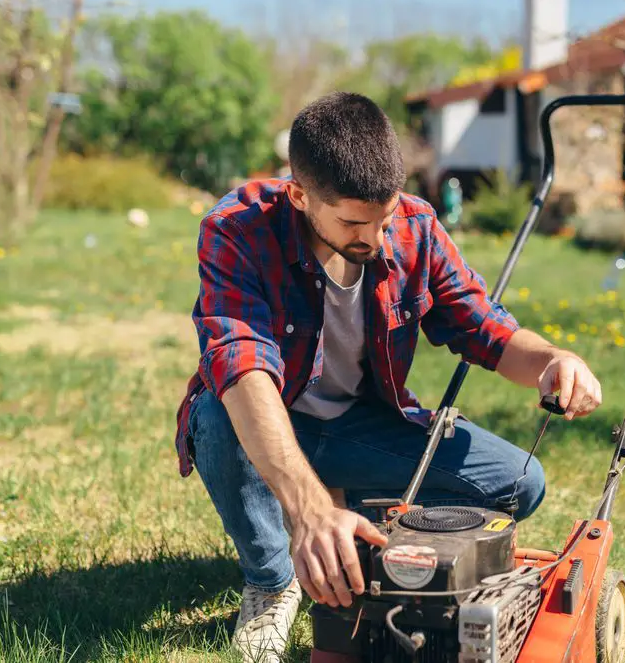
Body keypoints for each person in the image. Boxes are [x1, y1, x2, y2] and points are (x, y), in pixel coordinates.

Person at [172, 91, 602, 662]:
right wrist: (309, 511)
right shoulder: (237, 229)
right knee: (214, 416)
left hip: (361, 426)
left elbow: (485, 329)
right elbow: (243, 367)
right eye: (354, 221)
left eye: (386, 216)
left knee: (520, 482)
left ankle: (361, 525)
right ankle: (274, 579)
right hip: (266, 423)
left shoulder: (415, 226)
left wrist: (552, 360)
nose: (375, 240)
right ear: (299, 195)